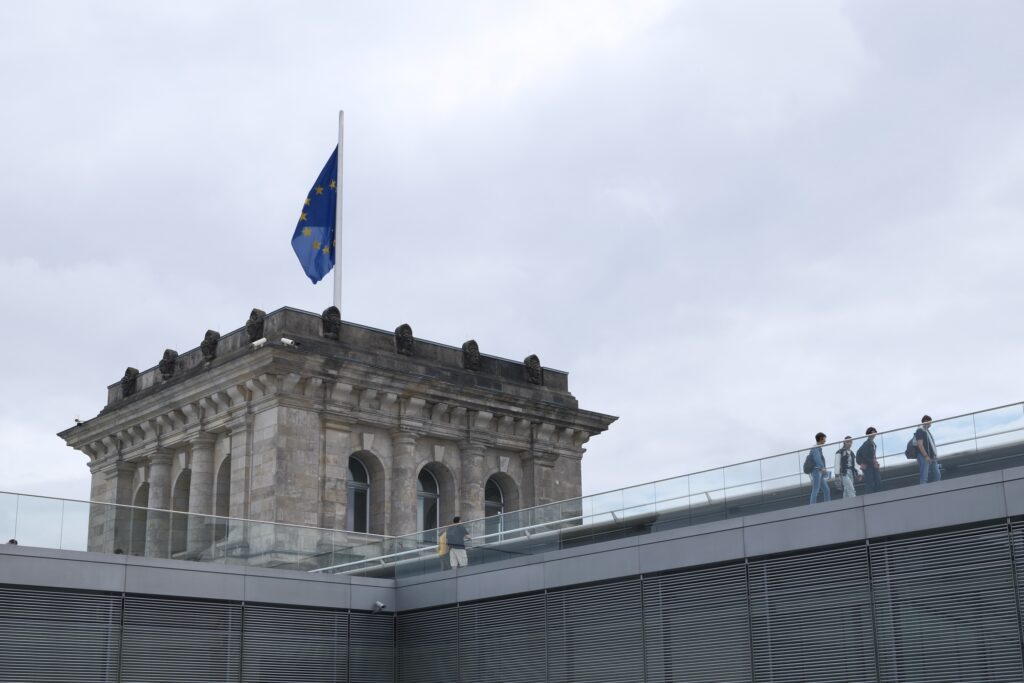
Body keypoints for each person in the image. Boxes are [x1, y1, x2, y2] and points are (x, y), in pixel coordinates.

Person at [915, 415, 941, 484]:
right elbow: (919, 444)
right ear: (926, 421)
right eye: (930, 422)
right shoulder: (920, 430)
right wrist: (926, 456)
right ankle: (924, 492)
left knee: (937, 475)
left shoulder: (926, 431)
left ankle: (935, 490)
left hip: (932, 457)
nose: (930, 424)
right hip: (924, 457)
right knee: (924, 477)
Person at [856, 427, 882, 494]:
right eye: (872, 432)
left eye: (874, 432)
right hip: (868, 466)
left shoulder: (872, 443)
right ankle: (870, 498)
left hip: (871, 465)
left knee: (877, 481)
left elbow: (872, 456)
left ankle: (876, 496)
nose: (874, 433)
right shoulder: (866, 444)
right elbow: (865, 457)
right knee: (870, 483)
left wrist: (875, 462)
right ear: (869, 433)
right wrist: (873, 463)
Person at [808, 432, 832, 505]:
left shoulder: (818, 448)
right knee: (815, 490)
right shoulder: (815, 448)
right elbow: (817, 459)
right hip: (816, 471)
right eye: (824, 438)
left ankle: (828, 504)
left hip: (819, 471)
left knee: (826, 490)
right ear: (821, 438)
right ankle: (812, 506)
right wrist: (822, 468)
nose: (825, 440)